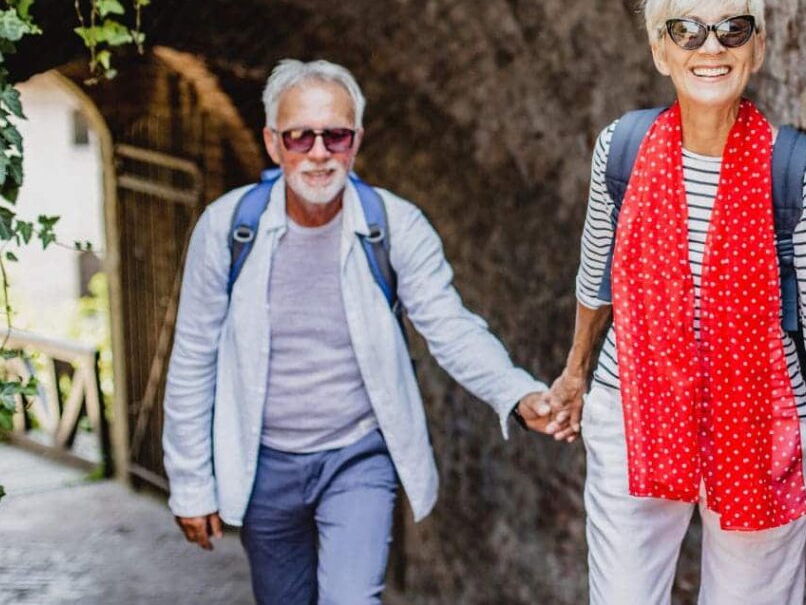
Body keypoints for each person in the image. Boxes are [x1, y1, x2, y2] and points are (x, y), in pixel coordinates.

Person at [162, 59, 558, 604]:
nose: (319, 152)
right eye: (301, 136)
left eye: (336, 136)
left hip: (356, 458)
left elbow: (449, 324)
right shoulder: (228, 228)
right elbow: (192, 358)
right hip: (262, 463)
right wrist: (190, 484)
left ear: (356, 142)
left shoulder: (394, 225)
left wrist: (516, 391)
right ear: (274, 144)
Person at [546, 0, 806, 604]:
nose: (711, 47)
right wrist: (576, 372)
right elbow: (595, 279)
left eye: (733, 29)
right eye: (687, 31)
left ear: (759, 47)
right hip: (633, 410)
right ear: (661, 52)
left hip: (762, 427)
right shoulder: (623, 148)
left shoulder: (797, 172)